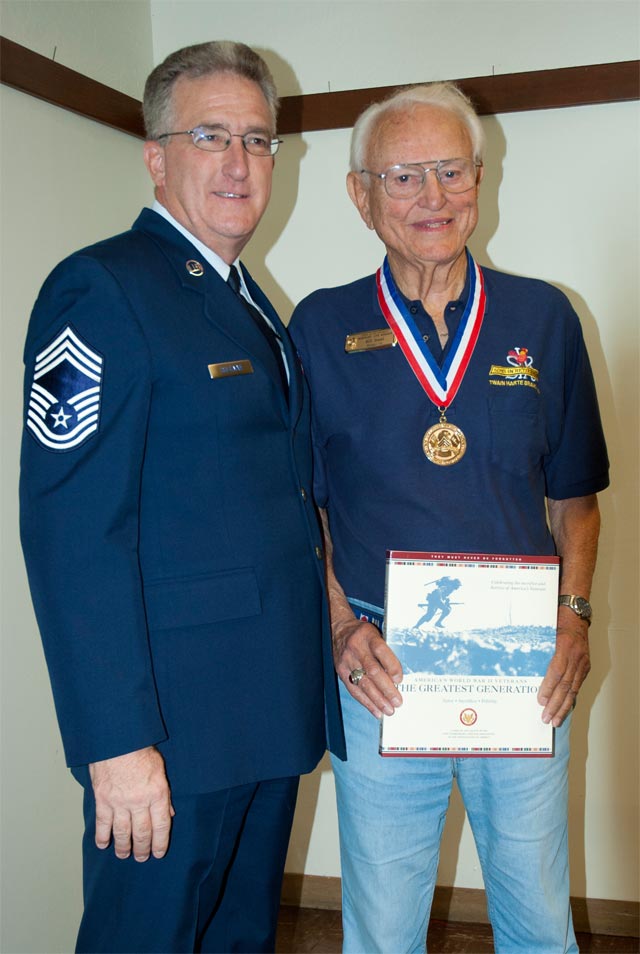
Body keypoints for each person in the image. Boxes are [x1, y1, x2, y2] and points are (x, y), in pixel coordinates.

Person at [20, 40, 344, 954]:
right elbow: (72, 534)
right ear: (156, 157)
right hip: (170, 733)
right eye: (210, 136)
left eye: (258, 139)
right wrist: (116, 743)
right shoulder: (104, 287)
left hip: (262, 712)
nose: (240, 162)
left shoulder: (248, 300)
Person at [290, 81, 608, 953]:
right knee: (384, 931)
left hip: (522, 666)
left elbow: (576, 501)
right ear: (360, 195)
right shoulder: (319, 327)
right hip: (380, 668)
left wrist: (574, 618)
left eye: (451, 170)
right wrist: (341, 626)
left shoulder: (544, 317)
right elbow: (303, 509)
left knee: (538, 923)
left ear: (479, 178)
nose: (432, 196)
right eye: (403, 177)